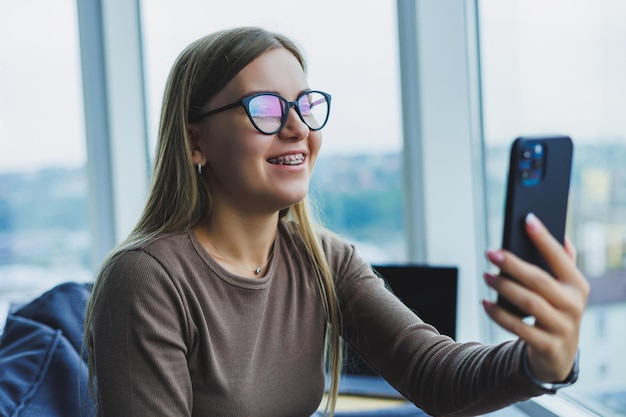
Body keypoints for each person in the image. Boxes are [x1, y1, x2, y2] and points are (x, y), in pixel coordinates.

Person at [83, 26, 589, 417]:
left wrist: (543, 363)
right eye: (264, 107)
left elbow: (434, 374)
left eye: (305, 105)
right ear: (196, 142)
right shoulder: (147, 280)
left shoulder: (322, 258)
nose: (297, 127)